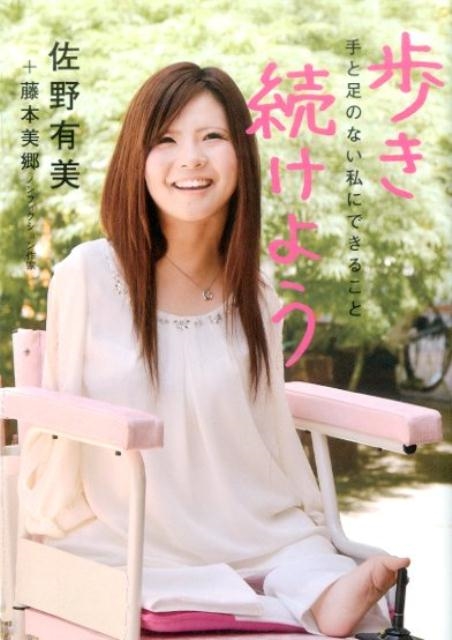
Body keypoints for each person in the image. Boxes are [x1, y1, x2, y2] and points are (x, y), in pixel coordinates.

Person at [20, 62, 409, 637]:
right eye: (166, 140)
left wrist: (297, 521)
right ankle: (235, 588)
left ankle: (316, 588)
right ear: (136, 158)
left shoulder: (256, 288)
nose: (191, 159)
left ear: (240, 156)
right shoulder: (88, 275)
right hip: (125, 526)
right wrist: (44, 524)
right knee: (126, 567)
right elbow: (60, 429)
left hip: (246, 521)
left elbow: (266, 426)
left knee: (295, 544)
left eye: (212, 137)